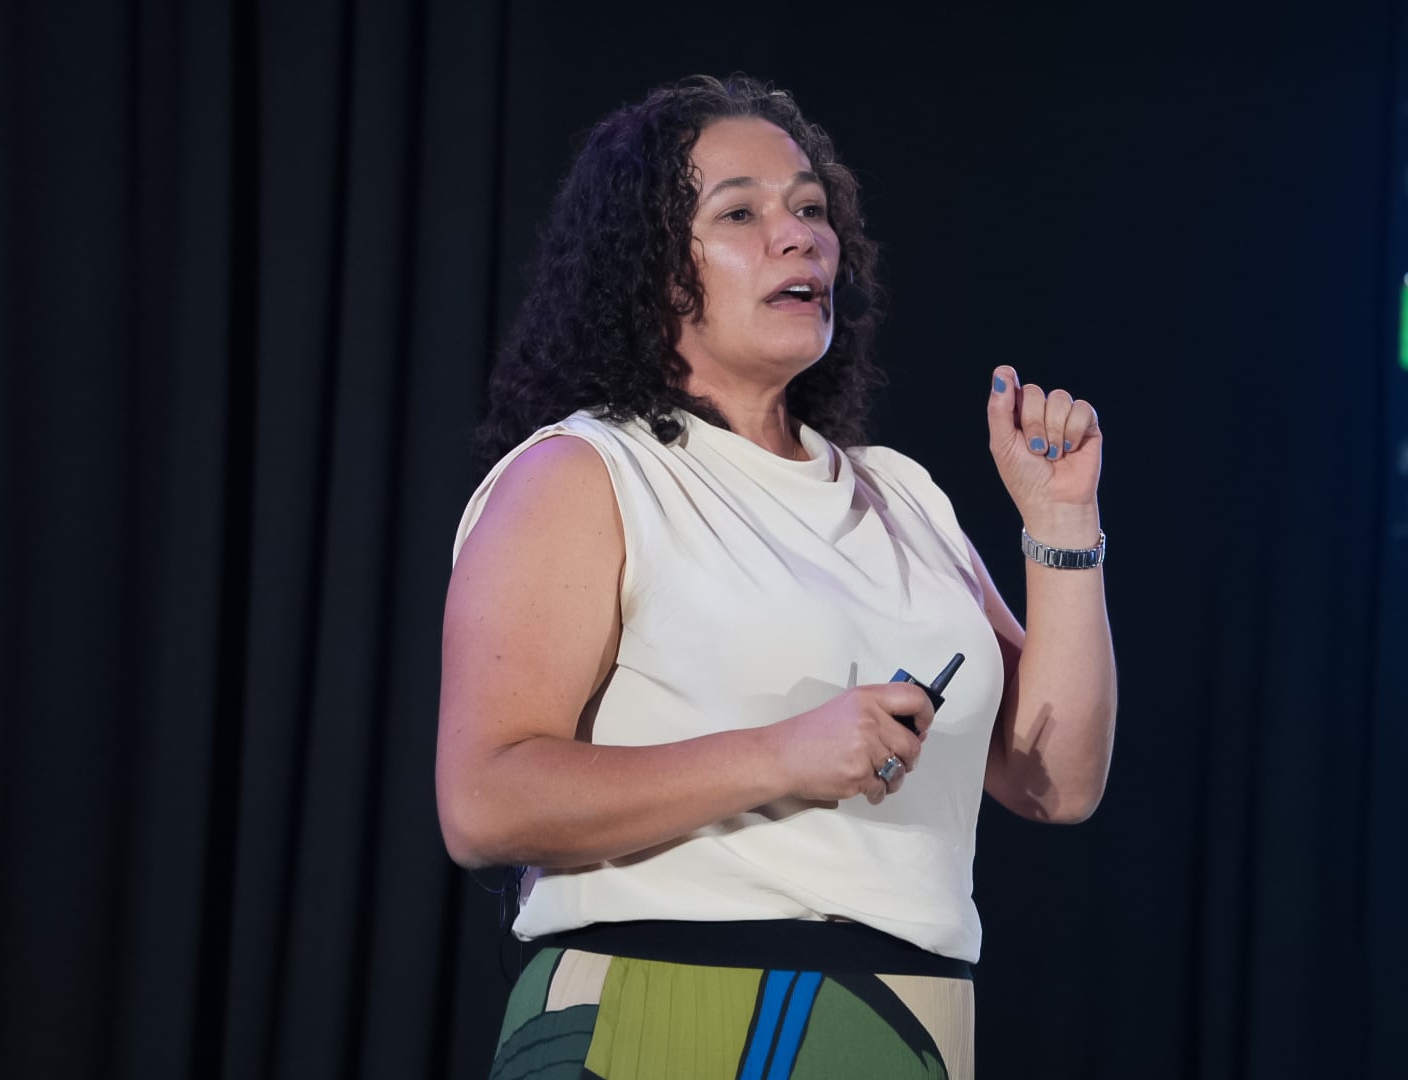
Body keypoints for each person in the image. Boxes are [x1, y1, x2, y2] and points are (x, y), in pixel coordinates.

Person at [437, 75, 1116, 1080]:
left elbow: (1052, 782)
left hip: (909, 1028)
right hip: (660, 1006)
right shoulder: (586, 474)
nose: (797, 236)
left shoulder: (901, 495)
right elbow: (484, 803)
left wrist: (1061, 529)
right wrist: (782, 756)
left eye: (809, 208)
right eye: (740, 214)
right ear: (652, 266)